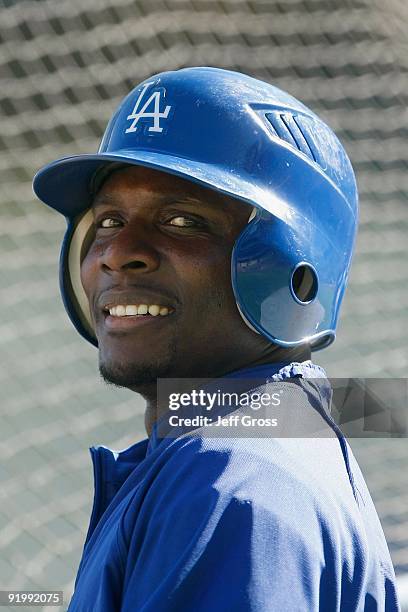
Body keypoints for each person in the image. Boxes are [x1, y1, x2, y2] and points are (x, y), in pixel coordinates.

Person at [33, 67, 400, 611]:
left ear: (294, 267)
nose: (115, 252)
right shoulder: (243, 447)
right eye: (108, 221)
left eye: (182, 220)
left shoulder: (230, 485)